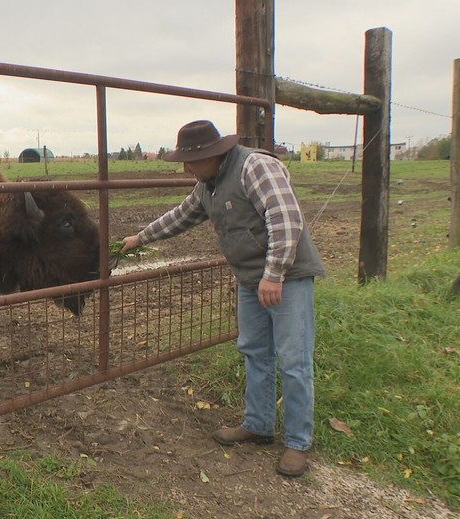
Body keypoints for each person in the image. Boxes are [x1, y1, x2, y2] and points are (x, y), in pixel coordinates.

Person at [120, 120, 325, 477]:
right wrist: (141, 238)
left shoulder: (255, 167)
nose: (186, 168)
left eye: (190, 160)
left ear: (213, 155)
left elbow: (286, 219)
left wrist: (274, 273)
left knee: (294, 359)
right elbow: (181, 216)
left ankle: (297, 442)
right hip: (251, 280)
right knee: (254, 351)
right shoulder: (208, 185)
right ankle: (258, 423)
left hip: (286, 278)